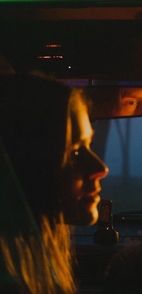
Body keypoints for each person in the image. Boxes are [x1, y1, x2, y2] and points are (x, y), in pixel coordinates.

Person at [0, 71, 109, 293]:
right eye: (75, 153)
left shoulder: (27, 265)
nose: (101, 169)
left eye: (89, 145)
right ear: (27, 162)